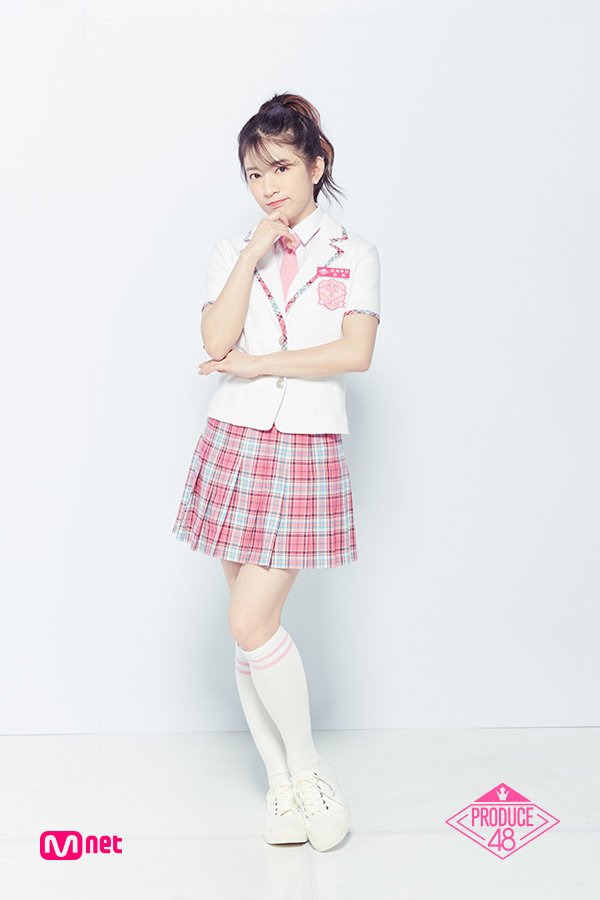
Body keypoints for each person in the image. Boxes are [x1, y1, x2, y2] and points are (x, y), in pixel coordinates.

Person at [172, 92, 381, 852]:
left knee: (250, 621)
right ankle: (282, 788)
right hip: (233, 439)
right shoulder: (234, 251)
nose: (268, 186)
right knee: (248, 626)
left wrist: (260, 364)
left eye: (282, 168)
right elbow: (215, 337)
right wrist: (254, 251)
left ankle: (310, 770)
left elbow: (354, 353)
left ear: (316, 166)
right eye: (254, 173)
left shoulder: (353, 254)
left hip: (305, 444)